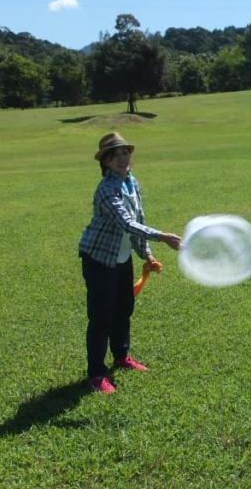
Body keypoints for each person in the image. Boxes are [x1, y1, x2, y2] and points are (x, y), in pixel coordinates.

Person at [78, 132, 182, 394]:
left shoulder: (131, 183)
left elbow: (139, 220)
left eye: (126, 153)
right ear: (107, 161)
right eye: (116, 155)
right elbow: (126, 223)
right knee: (101, 316)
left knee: (124, 308)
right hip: (100, 260)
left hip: (122, 259)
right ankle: (96, 373)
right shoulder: (106, 189)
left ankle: (122, 357)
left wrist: (146, 254)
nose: (123, 158)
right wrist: (163, 237)